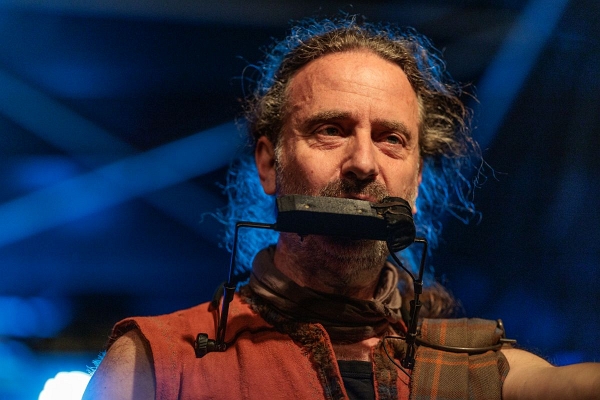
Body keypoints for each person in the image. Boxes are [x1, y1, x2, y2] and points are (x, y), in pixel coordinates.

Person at [83, 16, 600, 399]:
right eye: (331, 130)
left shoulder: (475, 368)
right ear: (268, 163)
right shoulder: (158, 363)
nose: (363, 163)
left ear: (417, 180)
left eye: (391, 138)